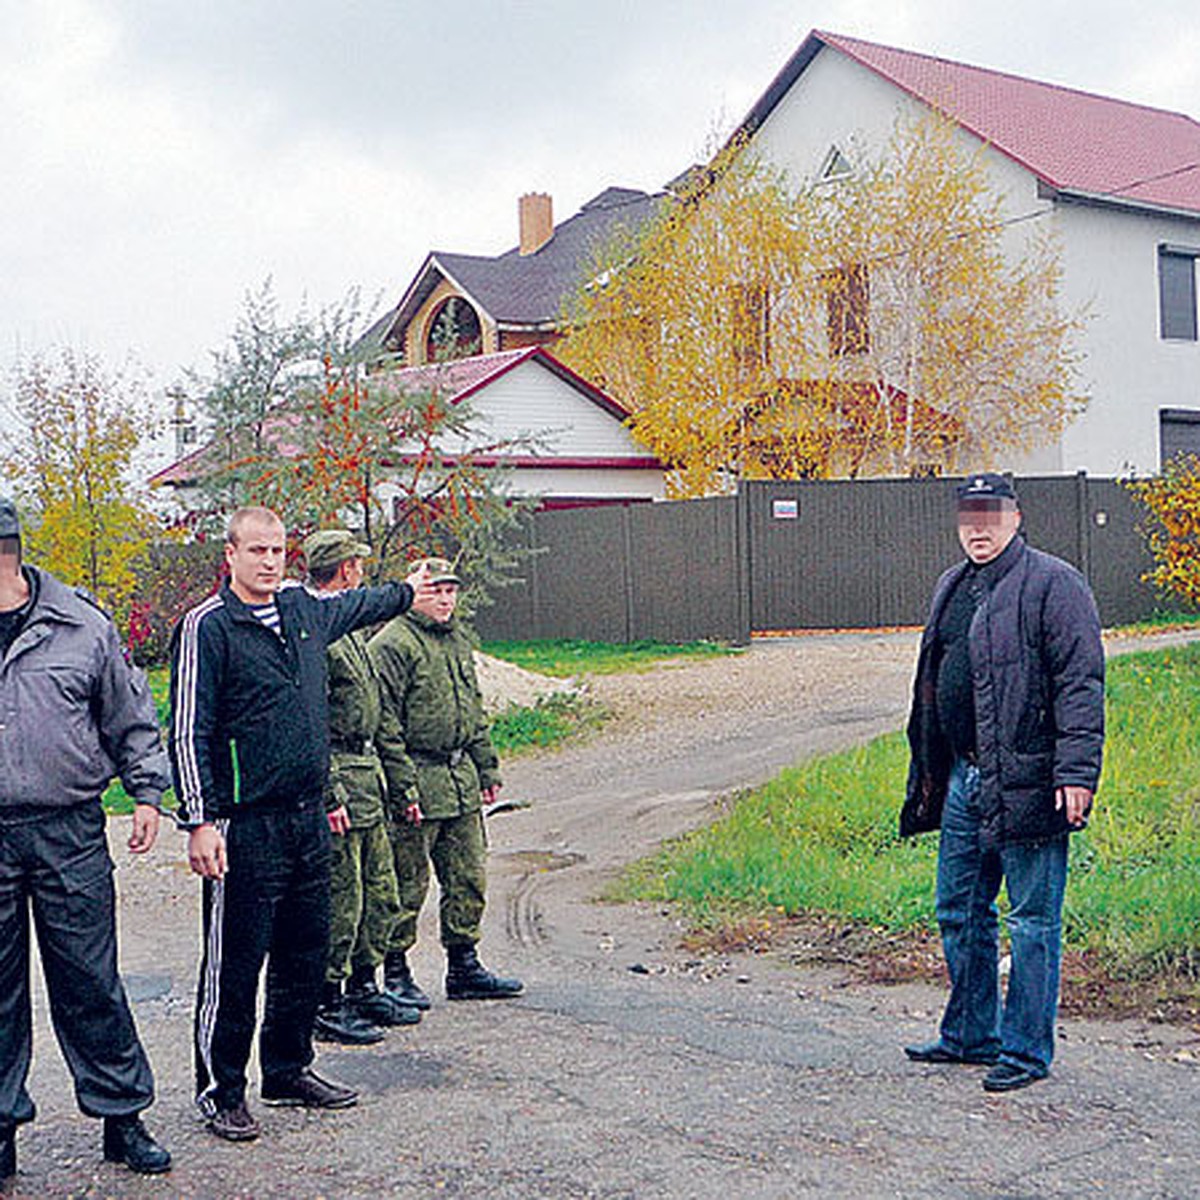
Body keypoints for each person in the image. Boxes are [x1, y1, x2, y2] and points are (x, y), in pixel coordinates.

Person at [168, 507, 434, 1144]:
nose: (268, 561)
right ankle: (221, 1089)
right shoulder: (208, 627)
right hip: (243, 825)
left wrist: (408, 592)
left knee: (304, 952)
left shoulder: (303, 612)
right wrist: (200, 820)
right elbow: (187, 729)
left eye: (277, 550)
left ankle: (288, 1069)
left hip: (308, 818)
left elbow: (360, 604)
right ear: (228, 555)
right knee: (235, 963)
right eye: (255, 550)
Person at [900, 473, 1105, 1092]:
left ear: (1016, 517)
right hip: (964, 774)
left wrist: (1075, 773)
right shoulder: (953, 585)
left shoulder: (1054, 583)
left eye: (991, 516)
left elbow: (1081, 683)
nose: (979, 528)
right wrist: (931, 768)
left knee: (1033, 920)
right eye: (969, 517)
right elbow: (936, 680)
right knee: (959, 910)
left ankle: (1025, 1052)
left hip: (1032, 780)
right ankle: (969, 1034)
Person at [0, 497, 171, 1181]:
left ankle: (122, 1117)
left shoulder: (78, 623)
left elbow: (129, 713)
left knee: (89, 980)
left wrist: (148, 793)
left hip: (67, 827)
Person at [370, 556, 523, 1006]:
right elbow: (386, 726)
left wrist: (487, 766)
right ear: (413, 592)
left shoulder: (455, 640)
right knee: (405, 882)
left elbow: (471, 708)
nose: (444, 598)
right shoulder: (392, 644)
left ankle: (464, 965)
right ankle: (395, 972)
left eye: (450, 590)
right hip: (418, 775)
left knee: (468, 875)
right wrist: (403, 788)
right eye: (434, 590)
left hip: (459, 778)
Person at [302, 529, 421, 1045]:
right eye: (356, 563)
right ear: (344, 569)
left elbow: (378, 716)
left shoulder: (350, 630)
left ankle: (363, 983)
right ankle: (327, 1000)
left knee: (380, 888)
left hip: (367, 774)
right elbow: (312, 722)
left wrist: (396, 784)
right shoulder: (322, 631)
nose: (361, 570)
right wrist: (329, 793)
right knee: (342, 896)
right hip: (341, 777)